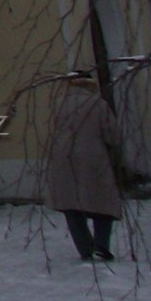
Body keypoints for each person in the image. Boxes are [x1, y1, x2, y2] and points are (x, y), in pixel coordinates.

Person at [45, 73, 124, 263]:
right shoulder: (98, 105)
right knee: (103, 204)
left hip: (63, 161)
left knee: (72, 207)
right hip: (94, 161)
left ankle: (85, 249)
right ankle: (101, 245)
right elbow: (112, 135)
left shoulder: (57, 104)